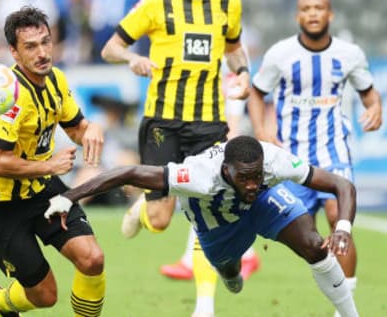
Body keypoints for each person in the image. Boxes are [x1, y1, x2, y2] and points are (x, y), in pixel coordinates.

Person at [100, 0, 251, 317]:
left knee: (207, 209)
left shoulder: (227, 4)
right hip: (162, 123)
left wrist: (245, 73)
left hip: (209, 124)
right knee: (161, 219)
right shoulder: (156, 3)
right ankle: (141, 210)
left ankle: (204, 306)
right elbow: (110, 47)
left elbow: (233, 49)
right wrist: (130, 59)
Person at [44, 135, 360, 317]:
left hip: (265, 205)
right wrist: (70, 197)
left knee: (314, 245)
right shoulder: (197, 175)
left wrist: (343, 227)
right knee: (231, 275)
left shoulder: (273, 162)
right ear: (226, 170)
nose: (252, 183)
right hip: (217, 225)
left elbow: (340, 184)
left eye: (256, 175)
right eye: (244, 177)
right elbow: (128, 173)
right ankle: (229, 272)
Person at [247, 0, 382, 317]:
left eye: (318, 8)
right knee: (305, 236)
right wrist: (263, 131)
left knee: (339, 219)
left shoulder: (349, 54)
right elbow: (255, 92)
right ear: (298, 16)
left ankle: (344, 310)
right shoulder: (280, 54)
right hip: (292, 158)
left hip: (334, 149)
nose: (312, 14)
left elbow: (368, 92)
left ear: (329, 13)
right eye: (306, 9)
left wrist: (374, 107)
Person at [0, 6, 106, 317]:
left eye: (46, 42)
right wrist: (49, 166)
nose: (42, 53)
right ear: (14, 52)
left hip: (41, 189)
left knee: (92, 259)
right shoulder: (6, 97)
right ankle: (1, 302)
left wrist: (92, 129)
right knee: (45, 296)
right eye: (31, 46)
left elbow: (75, 127)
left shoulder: (56, 80)